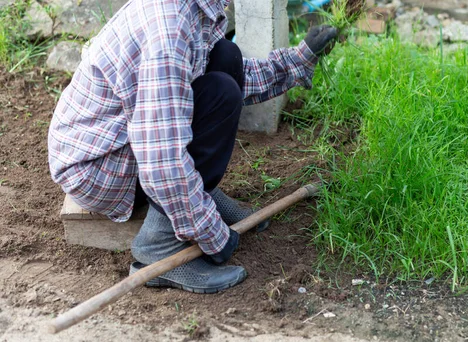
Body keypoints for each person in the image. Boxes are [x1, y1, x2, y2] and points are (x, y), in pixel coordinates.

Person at [47, 0, 337, 294]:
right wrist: (212, 233)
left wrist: (298, 60)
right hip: (100, 168)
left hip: (123, 142)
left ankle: (198, 196)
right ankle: (158, 245)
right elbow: (161, 159)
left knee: (226, 57)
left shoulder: (194, 8)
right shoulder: (169, 28)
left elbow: (217, 74)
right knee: (221, 95)